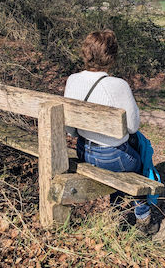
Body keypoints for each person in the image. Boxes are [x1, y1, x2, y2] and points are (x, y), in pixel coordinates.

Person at [64, 29, 159, 235]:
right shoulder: (118, 86)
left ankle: (117, 213)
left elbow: (71, 131)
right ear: (112, 56)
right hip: (112, 157)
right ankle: (143, 219)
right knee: (138, 161)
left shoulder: (72, 80)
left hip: (84, 151)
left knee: (124, 161)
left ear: (86, 53)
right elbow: (133, 127)